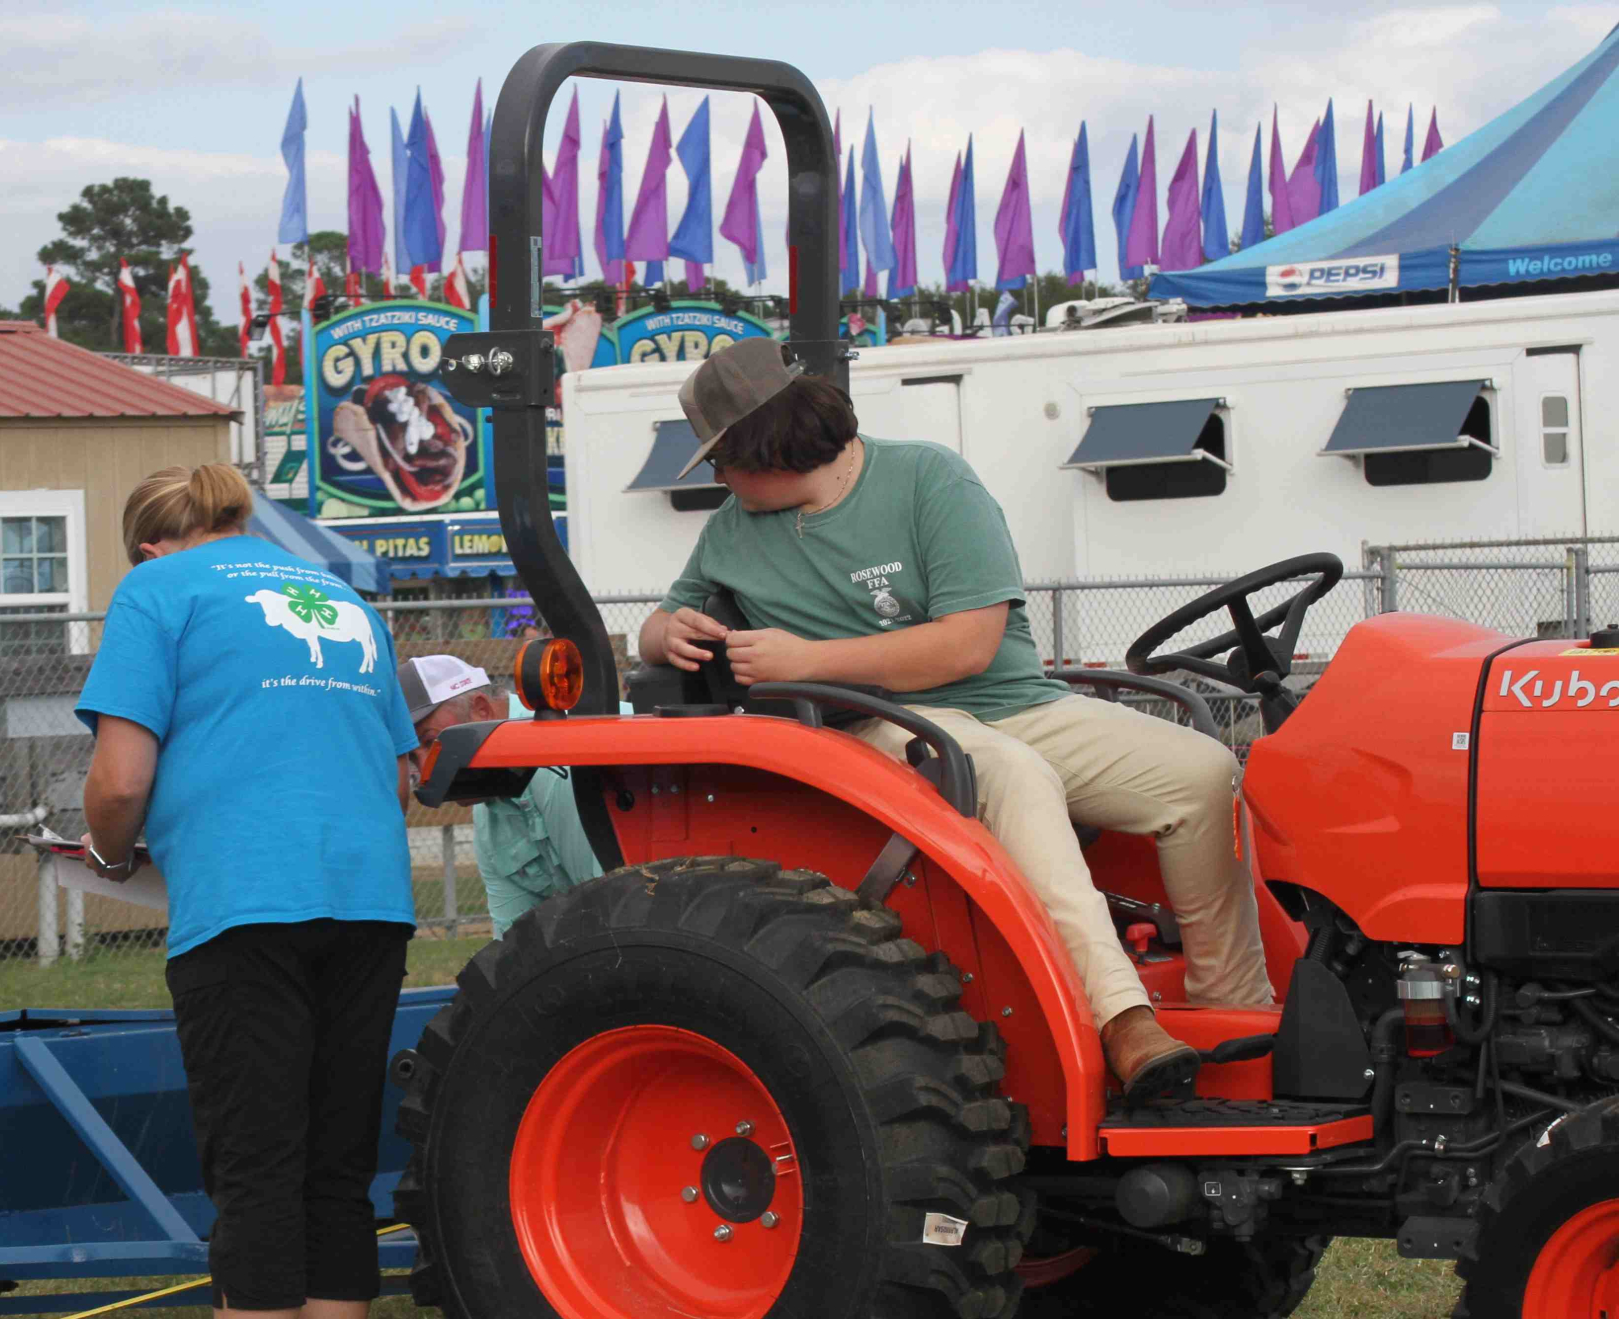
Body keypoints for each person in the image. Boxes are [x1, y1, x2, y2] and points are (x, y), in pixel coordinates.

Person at [638, 339, 1273, 1100]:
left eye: (719, 460)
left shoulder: (927, 480)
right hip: (874, 725)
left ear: (762, 447)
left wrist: (806, 657)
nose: (718, 479)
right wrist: (661, 632)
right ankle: (1123, 1018)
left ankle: (1234, 1018)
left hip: (1010, 701)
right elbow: (665, 615)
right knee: (1008, 772)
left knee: (1200, 772)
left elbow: (969, 646)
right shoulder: (733, 531)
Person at [76, 462, 418, 1319]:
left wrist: (105, 852)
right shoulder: (352, 604)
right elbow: (401, 772)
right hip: (367, 895)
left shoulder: (156, 594)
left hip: (245, 899)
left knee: (256, 1166)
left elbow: (121, 778)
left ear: (149, 544)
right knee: (332, 1167)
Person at [398, 653, 602, 937]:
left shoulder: (558, 762)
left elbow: (614, 909)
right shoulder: (488, 813)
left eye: (431, 741)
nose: (424, 771)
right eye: (411, 755)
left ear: (481, 711)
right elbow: (512, 945)